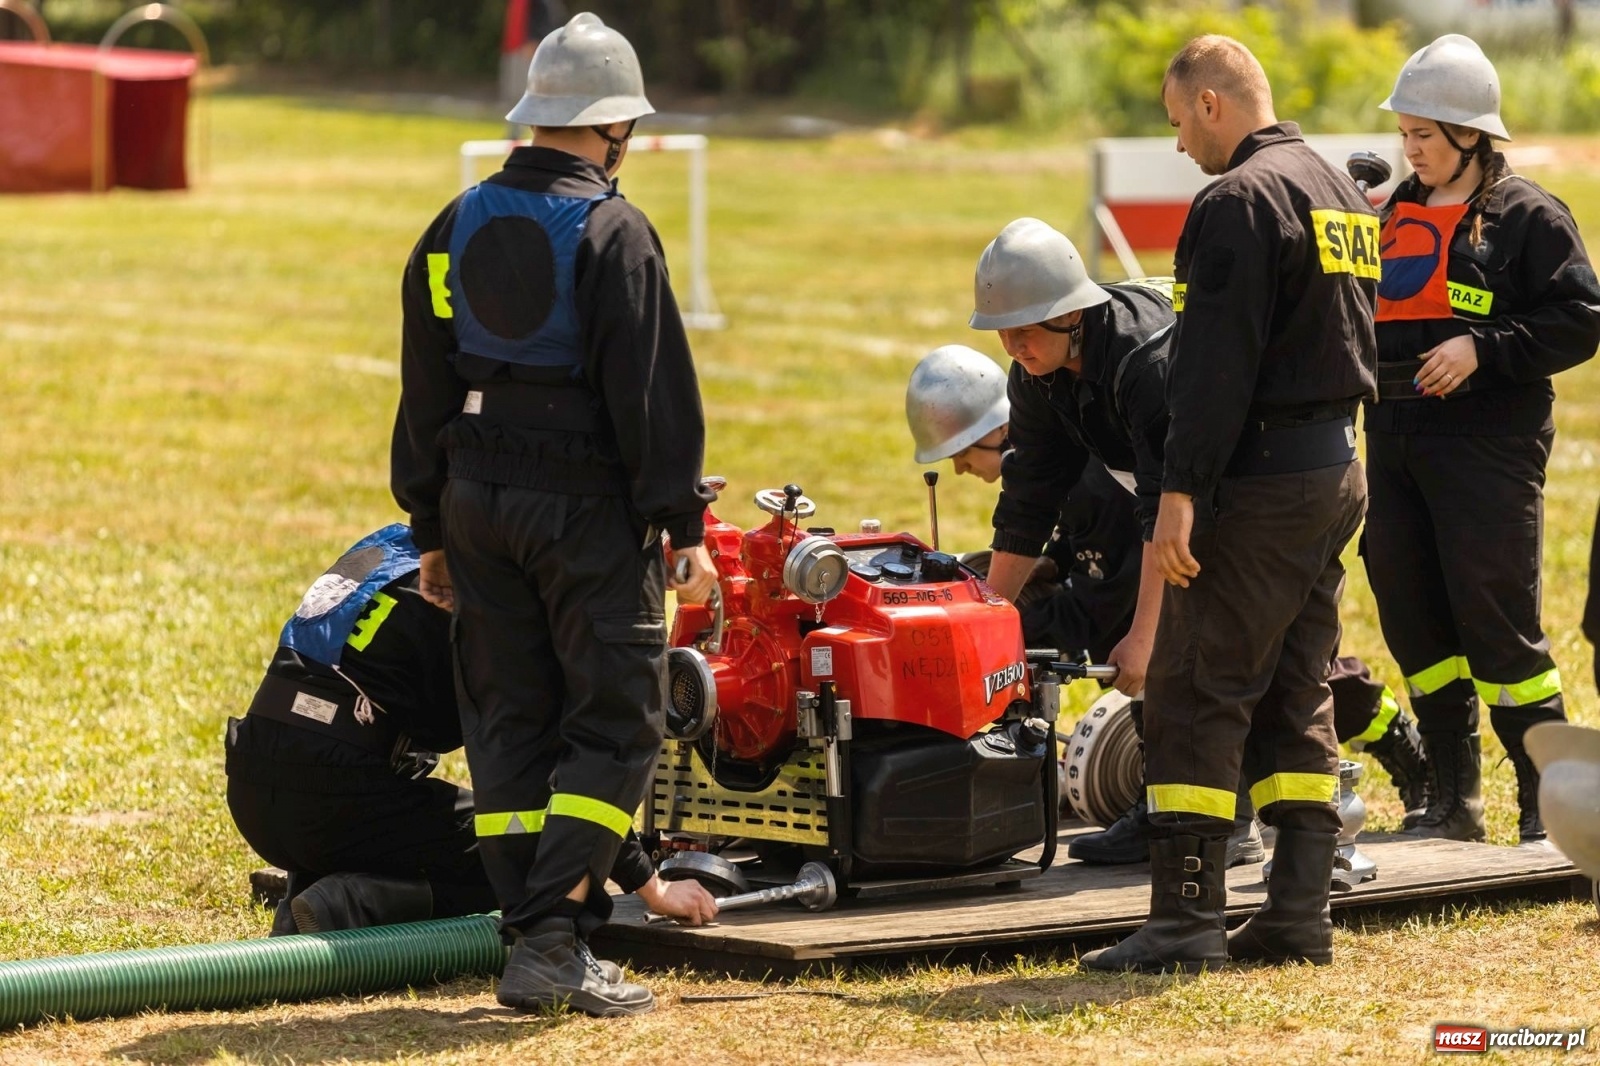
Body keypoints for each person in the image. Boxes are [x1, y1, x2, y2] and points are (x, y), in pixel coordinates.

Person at [390, 13, 718, 1018]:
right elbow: (650, 392)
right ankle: (552, 940)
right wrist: (684, 528)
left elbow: (423, 385)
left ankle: (537, 933)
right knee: (617, 722)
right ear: (612, 125)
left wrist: (431, 528)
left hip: (475, 505)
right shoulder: (615, 232)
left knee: (509, 720)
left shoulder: (453, 224)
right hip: (581, 507)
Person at [1082, 36, 1376, 973]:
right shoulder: (1333, 185)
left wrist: (1178, 495)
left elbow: (1210, 373)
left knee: (1197, 688)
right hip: (1334, 471)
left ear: (1211, 103)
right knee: (1296, 684)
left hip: (1256, 483)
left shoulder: (1236, 202)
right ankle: (1297, 911)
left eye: (1176, 122)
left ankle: (1186, 919)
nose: (1177, 146)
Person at [226, 525, 717, 939]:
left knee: (396, 816)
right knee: (543, 859)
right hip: (335, 798)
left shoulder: (396, 545)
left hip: (253, 786)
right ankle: (355, 902)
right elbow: (563, 763)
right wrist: (651, 885)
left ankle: (317, 882)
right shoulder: (491, 598)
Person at [1364, 34, 1600, 848]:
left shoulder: (1529, 216)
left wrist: (1484, 349)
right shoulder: (1390, 212)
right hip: (1392, 441)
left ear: (1471, 134)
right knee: (1415, 620)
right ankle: (1452, 801)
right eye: (1405, 135)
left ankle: (1547, 804)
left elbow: (1580, 321)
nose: (1411, 149)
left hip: (1486, 446)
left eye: (1424, 135)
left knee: (1497, 623)